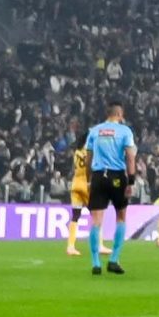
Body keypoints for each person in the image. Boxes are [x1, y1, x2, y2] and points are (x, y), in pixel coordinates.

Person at [85, 103, 138, 275]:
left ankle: (96, 263)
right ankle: (114, 259)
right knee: (121, 217)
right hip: (117, 177)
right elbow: (130, 157)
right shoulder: (125, 131)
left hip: (99, 176)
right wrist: (131, 181)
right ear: (120, 114)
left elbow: (88, 158)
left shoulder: (94, 131)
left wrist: (88, 180)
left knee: (96, 221)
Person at [64, 130, 90, 258]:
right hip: (86, 185)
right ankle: (99, 245)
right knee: (97, 214)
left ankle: (70, 246)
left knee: (75, 216)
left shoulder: (77, 152)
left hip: (75, 184)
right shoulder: (90, 152)